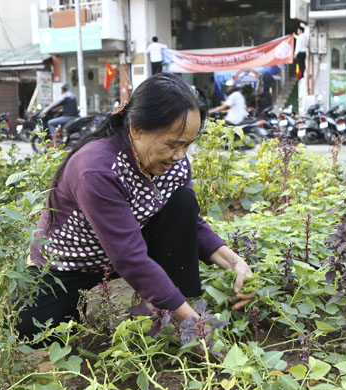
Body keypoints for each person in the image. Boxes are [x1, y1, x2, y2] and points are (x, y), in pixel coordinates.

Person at [18, 73, 254, 338]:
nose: (180, 155)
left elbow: (189, 222)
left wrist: (235, 263)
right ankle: (174, 312)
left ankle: (162, 311)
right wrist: (196, 328)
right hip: (73, 263)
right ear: (136, 129)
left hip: (126, 251)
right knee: (30, 331)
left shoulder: (171, 164)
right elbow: (130, 258)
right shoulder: (98, 169)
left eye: (188, 144)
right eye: (173, 144)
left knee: (183, 202)